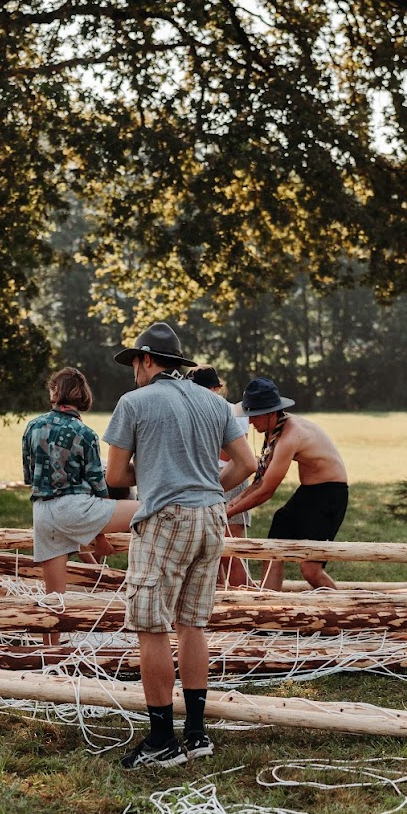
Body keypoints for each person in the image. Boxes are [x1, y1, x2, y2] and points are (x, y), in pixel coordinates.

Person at [103, 322, 257, 768]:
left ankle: (161, 741)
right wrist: (205, 484)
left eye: (134, 362)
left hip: (165, 519)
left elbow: (115, 475)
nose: (133, 370)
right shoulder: (213, 402)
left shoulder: (134, 402)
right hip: (211, 517)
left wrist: (158, 472)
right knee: (193, 623)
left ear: (147, 360)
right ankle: (196, 733)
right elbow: (246, 463)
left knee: (151, 625)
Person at [22, 368, 138, 599]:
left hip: (42, 514)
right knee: (150, 508)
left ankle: (52, 626)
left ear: (55, 391)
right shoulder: (85, 433)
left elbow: (29, 477)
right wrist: (100, 538)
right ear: (82, 394)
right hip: (75, 509)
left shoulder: (32, 427)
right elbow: (98, 484)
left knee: (54, 598)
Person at [225, 377, 349, 592]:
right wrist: (232, 503)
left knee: (311, 570)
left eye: (255, 416)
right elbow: (260, 480)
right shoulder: (275, 429)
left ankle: (343, 607)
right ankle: (268, 606)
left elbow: (266, 491)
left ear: (271, 413)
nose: (251, 422)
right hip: (308, 492)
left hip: (330, 494)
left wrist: (227, 513)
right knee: (273, 547)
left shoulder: (290, 437)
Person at [188, 365, 253, 588]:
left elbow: (231, 454)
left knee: (232, 547)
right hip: (208, 476)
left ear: (216, 389)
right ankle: (219, 594)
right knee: (211, 548)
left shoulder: (232, 411)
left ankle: (241, 595)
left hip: (230, 476)